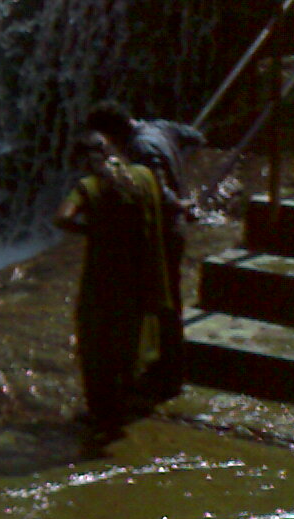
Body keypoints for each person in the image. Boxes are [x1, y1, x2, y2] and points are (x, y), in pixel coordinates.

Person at [55, 130, 174, 435]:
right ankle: (127, 401)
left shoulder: (89, 187)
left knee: (97, 342)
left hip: (104, 279)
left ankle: (103, 412)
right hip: (143, 273)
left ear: (85, 161)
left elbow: (63, 218)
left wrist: (93, 230)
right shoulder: (145, 176)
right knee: (131, 339)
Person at [84, 100, 204, 398]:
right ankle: (166, 363)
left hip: (162, 230)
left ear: (111, 132)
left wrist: (179, 203)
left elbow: (158, 189)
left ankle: (170, 369)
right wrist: (180, 167)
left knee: (161, 299)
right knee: (167, 296)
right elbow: (195, 137)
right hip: (173, 227)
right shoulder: (159, 127)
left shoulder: (140, 149)